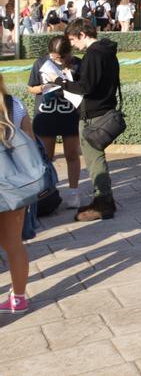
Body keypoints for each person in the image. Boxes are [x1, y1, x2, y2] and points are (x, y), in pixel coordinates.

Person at [62, 18, 121, 221]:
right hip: (104, 110)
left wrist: (60, 82)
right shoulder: (107, 51)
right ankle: (102, 200)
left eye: (73, 39)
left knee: (94, 160)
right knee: (97, 158)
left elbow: (86, 87)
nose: (72, 44)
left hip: (94, 115)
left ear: (82, 34)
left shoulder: (94, 53)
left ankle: (104, 203)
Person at [28, 35, 83, 208]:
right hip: (46, 115)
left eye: (59, 56)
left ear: (68, 53)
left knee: (72, 154)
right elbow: (31, 87)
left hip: (70, 113)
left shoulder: (77, 64)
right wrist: (43, 88)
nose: (56, 58)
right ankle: (48, 194)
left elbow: (84, 87)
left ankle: (74, 193)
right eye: (53, 55)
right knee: (46, 157)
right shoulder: (40, 63)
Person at [0, 100, 31, 313]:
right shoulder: (15, 105)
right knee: (14, 244)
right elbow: (31, 141)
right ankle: (18, 299)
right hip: (15, 184)